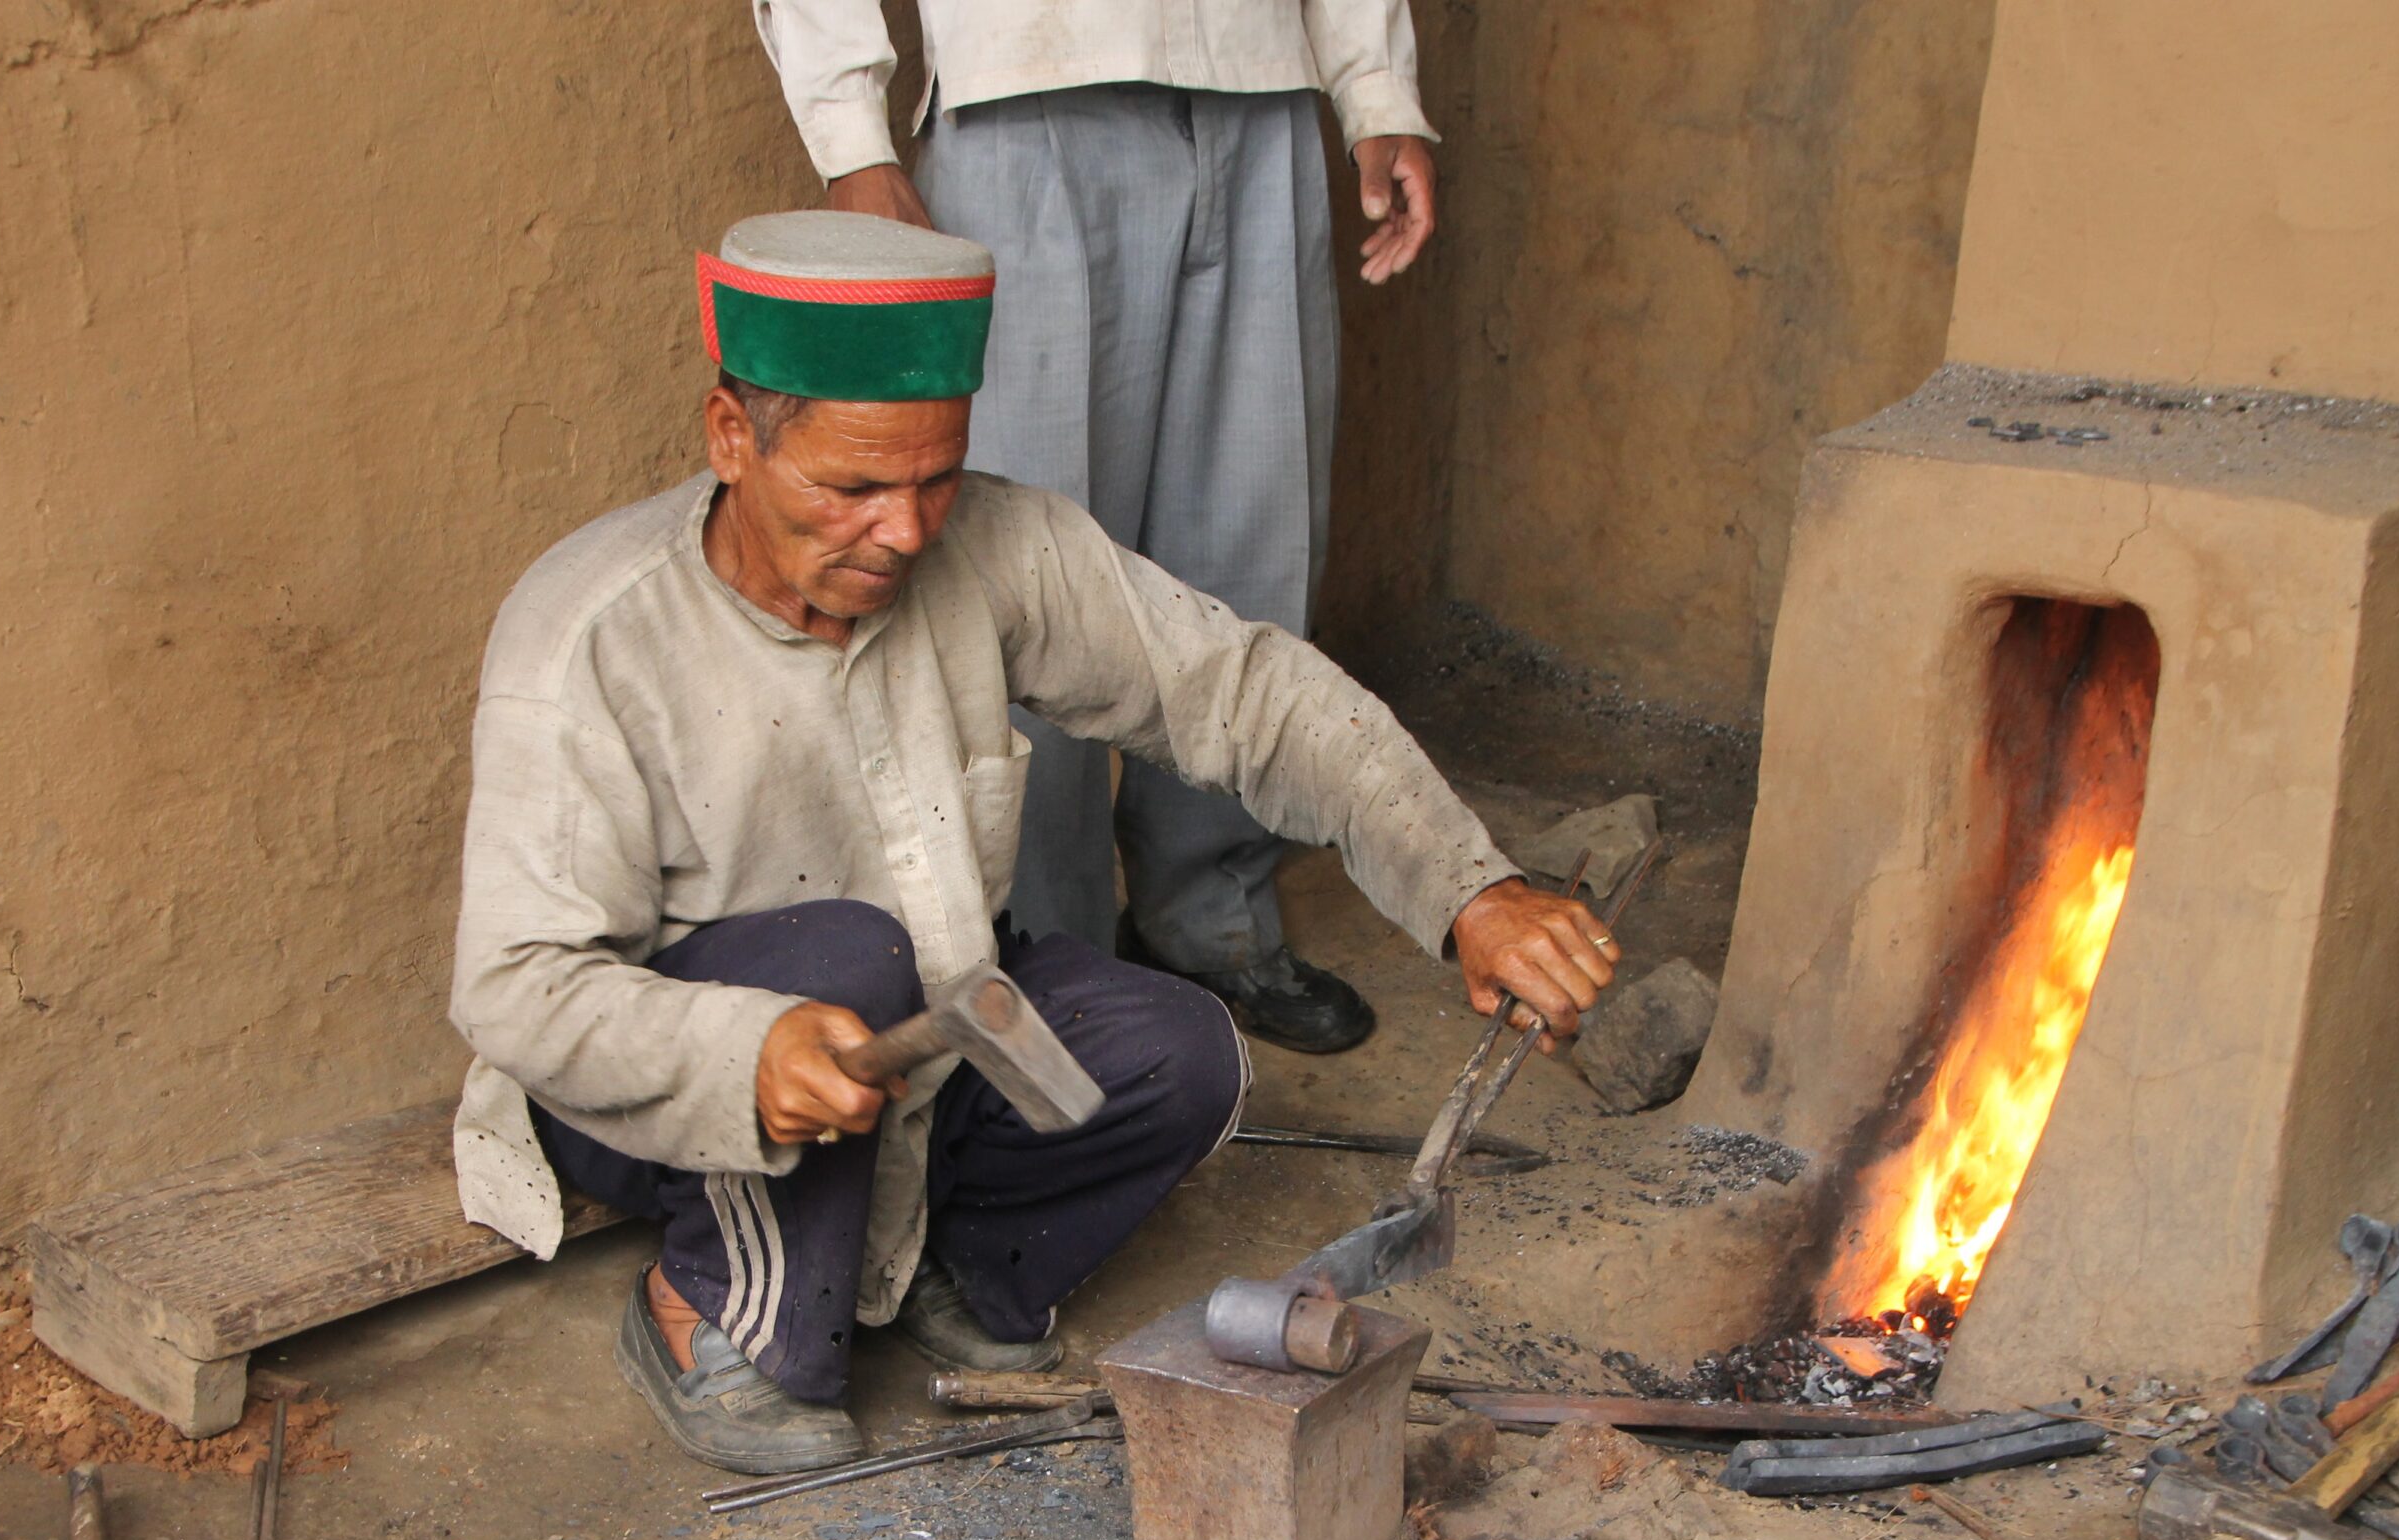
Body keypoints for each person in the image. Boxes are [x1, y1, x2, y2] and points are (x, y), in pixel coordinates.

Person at [447, 213, 1616, 1475]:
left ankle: (945, 1261)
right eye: (850, 489)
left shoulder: (996, 547)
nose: (904, 531)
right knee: (843, 958)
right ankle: (710, 1306)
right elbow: (514, 986)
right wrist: (742, 1050)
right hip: (662, 1074)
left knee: (1180, 1056)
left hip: (924, 1038)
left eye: (933, 477)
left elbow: (1241, 691)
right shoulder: (590, 639)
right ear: (732, 438)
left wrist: (1470, 887)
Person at [751, 0, 1441, 1054]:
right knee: (1018, 577)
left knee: (1249, 536)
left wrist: (1375, 84)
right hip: (1022, 91)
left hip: (1259, 88)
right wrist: (853, 137)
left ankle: (1209, 918)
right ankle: (1040, 958)